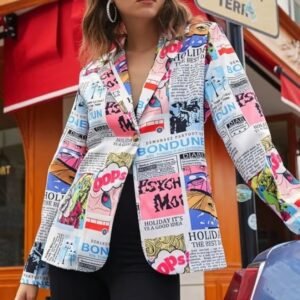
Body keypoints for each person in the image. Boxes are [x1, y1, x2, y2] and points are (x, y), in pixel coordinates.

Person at [15, 0, 300, 299]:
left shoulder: (202, 43)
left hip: (156, 249)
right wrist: (33, 268)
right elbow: (65, 166)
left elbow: (247, 136)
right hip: (73, 245)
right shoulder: (94, 72)